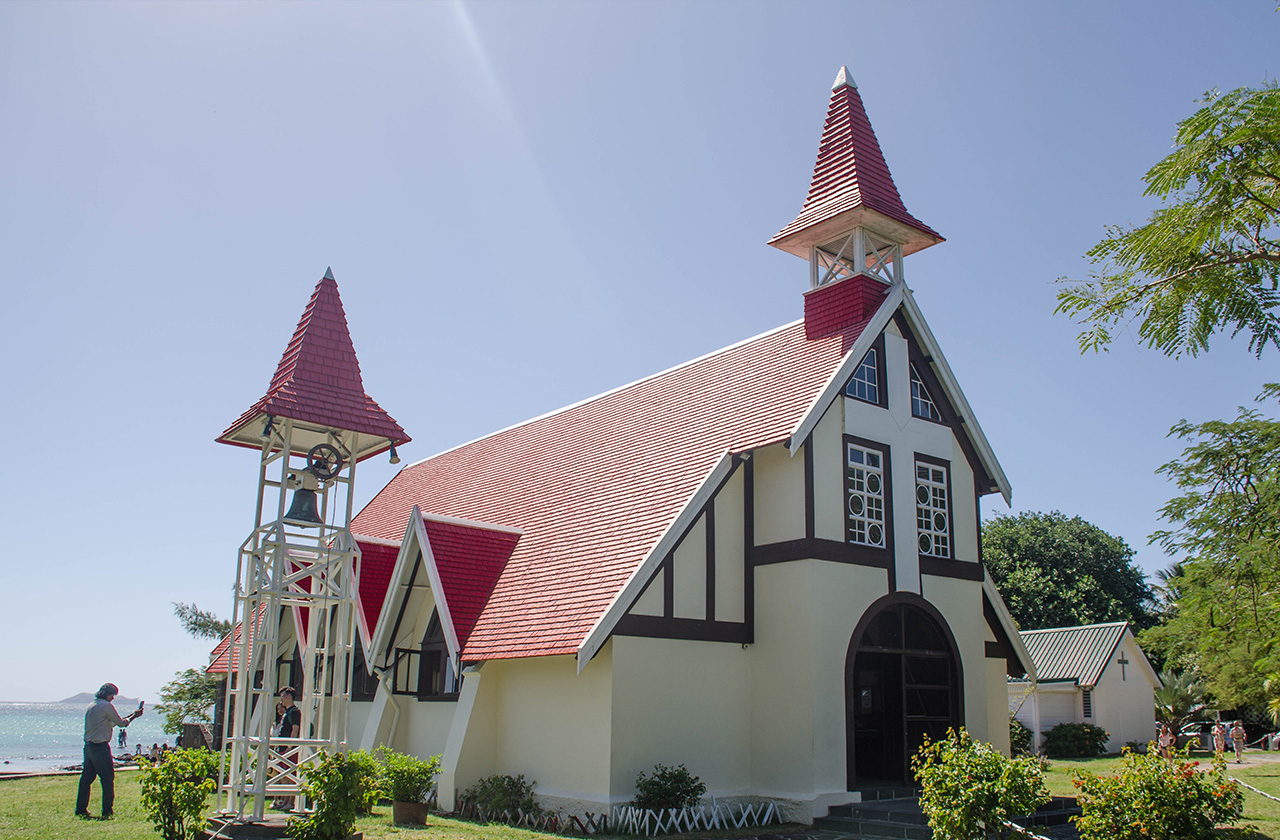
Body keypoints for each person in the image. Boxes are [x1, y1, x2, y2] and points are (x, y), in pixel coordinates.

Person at [75, 683, 142, 820]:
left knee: (86, 779)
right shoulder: (106, 706)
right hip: (100, 747)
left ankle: (80, 809)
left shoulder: (92, 705)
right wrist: (134, 716)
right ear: (109, 695)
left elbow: (112, 722)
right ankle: (107, 811)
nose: (113, 699)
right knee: (107, 779)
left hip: (88, 747)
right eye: (113, 696)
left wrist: (131, 715)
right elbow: (121, 723)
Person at [272, 687, 301, 811]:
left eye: (283, 696)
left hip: (289, 749)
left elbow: (295, 729)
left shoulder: (294, 711)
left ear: (289, 696)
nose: (281, 699)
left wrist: (290, 746)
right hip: (282, 748)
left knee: (290, 775)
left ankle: (291, 801)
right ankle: (284, 800)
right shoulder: (286, 712)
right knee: (283, 775)